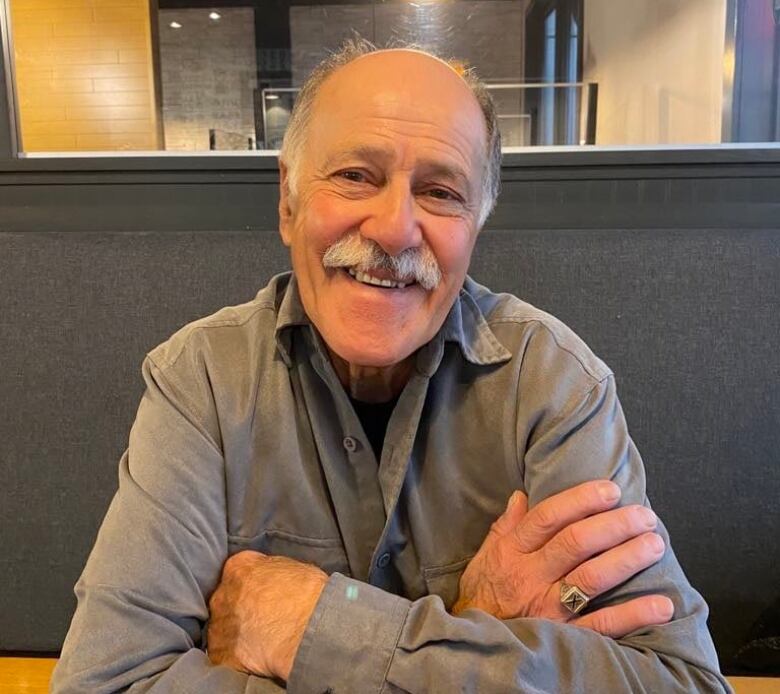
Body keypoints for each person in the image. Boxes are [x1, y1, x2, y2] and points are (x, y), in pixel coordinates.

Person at [52, 42, 730, 693]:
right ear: (288, 202)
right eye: (354, 176)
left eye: (440, 191)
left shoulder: (552, 386)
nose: (395, 228)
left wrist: (310, 628)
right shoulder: (201, 379)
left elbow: (682, 682)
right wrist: (475, 634)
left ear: (477, 225)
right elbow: (108, 682)